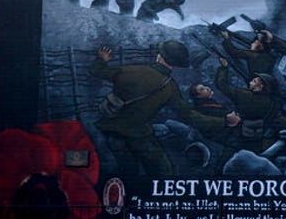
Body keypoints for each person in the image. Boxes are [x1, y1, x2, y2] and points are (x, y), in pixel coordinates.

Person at [90, 41, 233, 192]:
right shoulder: (170, 87)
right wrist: (224, 121)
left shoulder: (129, 70)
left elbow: (96, 71)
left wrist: (101, 59)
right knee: (163, 171)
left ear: (159, 56)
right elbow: (190, 116)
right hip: (138, 134)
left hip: (110, 128)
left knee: (127, 172)